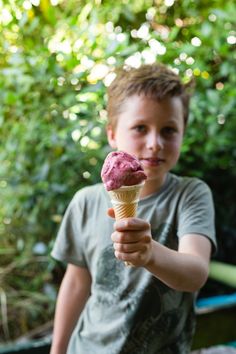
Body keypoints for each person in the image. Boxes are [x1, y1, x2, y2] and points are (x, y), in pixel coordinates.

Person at [50, 63, 216, 354]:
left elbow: (195, 273)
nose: (155, 143)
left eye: (169, 130)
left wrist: (150, 253)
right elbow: (76, 284)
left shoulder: (190, 195)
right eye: (140, 128)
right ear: (112, 134)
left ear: (183, 132)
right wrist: (57, 350)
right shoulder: (85, 203)